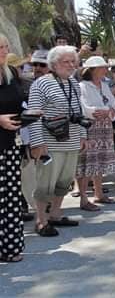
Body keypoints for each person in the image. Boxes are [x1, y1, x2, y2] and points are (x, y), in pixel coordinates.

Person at [28, 46, 88, 237]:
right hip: (50, 141)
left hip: (71, 140)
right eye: (66, 62)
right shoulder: (41, 84)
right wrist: (37, 143)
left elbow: (78, 113)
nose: (71, 65)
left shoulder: (73, 83)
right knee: (46, 181)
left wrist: (83, 136)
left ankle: (55, 214)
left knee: (64, 180)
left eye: (73, 61)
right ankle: (41, 220)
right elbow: (33, 114)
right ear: (54, 64)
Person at [77, 56, 115, 211]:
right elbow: (83, 107)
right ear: (92, 70)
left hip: (105, 127)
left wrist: (106, 111)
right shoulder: (82, 86)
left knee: (100, 161)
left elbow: (113, 104)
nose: (105, 70)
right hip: (90, 128)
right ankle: (83, 197)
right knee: (87, 162)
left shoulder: (104, 85)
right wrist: (98, 111)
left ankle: (99, 193)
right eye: (102, 67)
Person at [0, 34, 28, 261]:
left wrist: (28, 116)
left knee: (11, 197)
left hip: (10, 144)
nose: (3, 50)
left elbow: (20, 102)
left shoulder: (11, 73)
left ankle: (10, 248)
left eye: (5, 46)